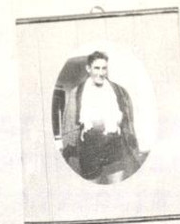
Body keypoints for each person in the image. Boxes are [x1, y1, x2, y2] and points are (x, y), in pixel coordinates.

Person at [60, 51, 143, 184]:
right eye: (96, 68)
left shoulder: (117, 90)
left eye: (104, 68)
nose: (101, 72)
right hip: (89, 145)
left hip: (114, 143)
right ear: (88, 69)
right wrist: (69, 147)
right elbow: (69, 123)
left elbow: (128, 119)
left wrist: (132, 141)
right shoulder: (77, 92)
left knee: (117, 185)